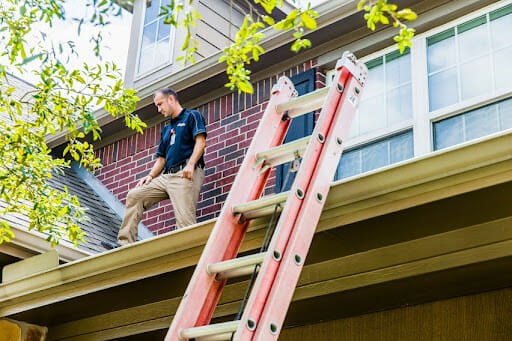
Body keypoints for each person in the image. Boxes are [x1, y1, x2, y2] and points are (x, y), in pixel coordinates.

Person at [102, 88, 207, 249]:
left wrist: (191, 164)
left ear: (171, 99)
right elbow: (161, 159)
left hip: (184, 174)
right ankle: (125, 244)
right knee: (135, 195)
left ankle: (189, 251)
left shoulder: (192, 116)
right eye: (157, 106)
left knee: (185, 220)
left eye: (160, 104)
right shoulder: (166, 129)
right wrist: (150, 176)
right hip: (166, 176)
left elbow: (200, 142)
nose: (159, 109)